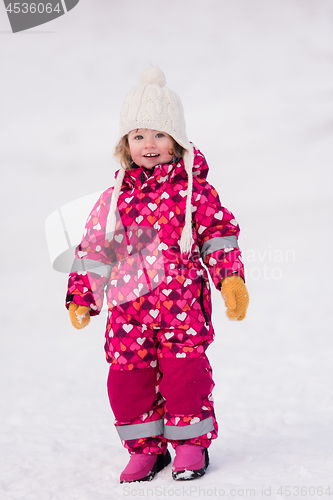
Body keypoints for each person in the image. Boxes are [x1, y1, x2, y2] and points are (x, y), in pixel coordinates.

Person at [66, 67, 249, 483]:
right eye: (138, 136)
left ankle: (188, 445)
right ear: (125, 145)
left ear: (177, 141)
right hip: (128, 313)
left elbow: (218, 236)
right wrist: (82, 295)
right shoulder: (114, 198)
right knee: (128, 382)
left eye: (159, 135)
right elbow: (94, 249)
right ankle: (145, 450)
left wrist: (230, 279)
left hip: (181, 307)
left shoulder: (194, 192)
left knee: (186, 378)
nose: (149, 145)